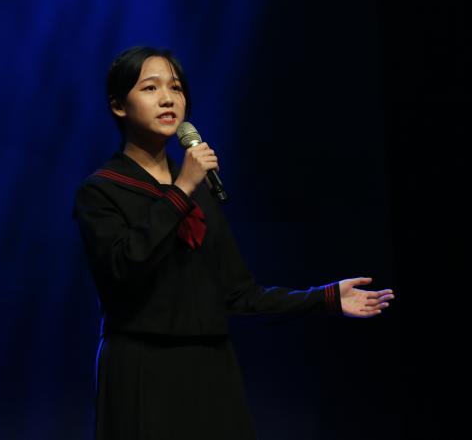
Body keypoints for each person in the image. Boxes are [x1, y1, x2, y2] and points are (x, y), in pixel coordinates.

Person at [72, 45, 394, 439]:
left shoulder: (199, 190)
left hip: (211, 367)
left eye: (176, 87)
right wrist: (181, 189)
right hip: (143, 369)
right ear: (119, 105)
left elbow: (239, 294)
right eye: (150, 88)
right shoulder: (101, 191)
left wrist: (324, 298)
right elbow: (124, 266)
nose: (168, 99)